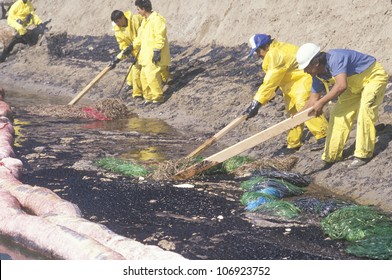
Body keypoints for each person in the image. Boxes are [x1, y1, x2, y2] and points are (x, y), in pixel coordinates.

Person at [296, 43, 388, 167]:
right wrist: (297, 118)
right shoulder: (318, 75)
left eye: (306, 68)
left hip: (372, 78)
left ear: (316, 63)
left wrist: (321, 103)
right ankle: (331, 156)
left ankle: (363, 154)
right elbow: (313, 100)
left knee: (365, 111)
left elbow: (341, 85)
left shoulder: (336, 58)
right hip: (353, 86)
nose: (305, 71)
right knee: (337, 115)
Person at [243, 34, 328, 155]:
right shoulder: (275, 51)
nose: (258, 55)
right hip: (290, 84)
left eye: (258, 51)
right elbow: (276, 77)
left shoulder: (274, 54)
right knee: (292, 112)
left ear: (265, 46)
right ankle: (293, 143)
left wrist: (257, 102)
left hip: (303, 78)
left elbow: (271, 80)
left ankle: (323, 135)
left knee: (303, 106)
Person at [132, 0, 171, 106]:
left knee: (152, 76)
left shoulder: (157, 20)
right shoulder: (145, 21)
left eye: (138, 9)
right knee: (144, 77)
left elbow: (160, 36)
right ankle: (148, 98)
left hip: (153, 54)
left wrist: (157, 50)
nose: (138, 12)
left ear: (143, 9)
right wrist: (132, 46)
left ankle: (157, 97)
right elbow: (140, 38)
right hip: (145, 55)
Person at [109, 10, 143, 101]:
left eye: (117, 21)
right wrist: (122, 56)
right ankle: (130, 85)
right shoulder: (118, 31)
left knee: (136, 71)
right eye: (115, 22)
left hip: (144, 47)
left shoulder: (135, 19)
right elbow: (123, 45)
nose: (117, 24)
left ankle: (137, 94)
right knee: (132, 71)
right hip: (133, 51)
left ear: (122, 18)